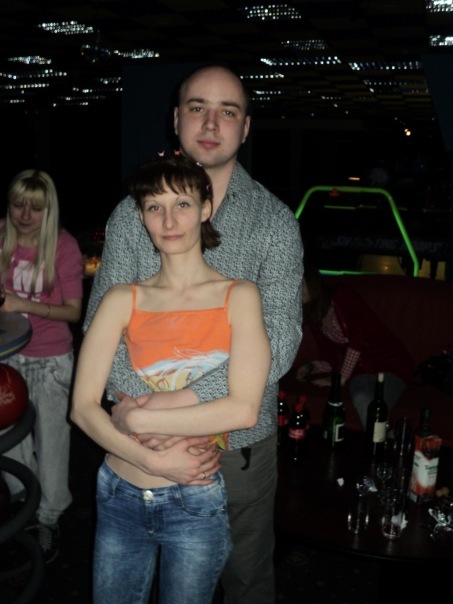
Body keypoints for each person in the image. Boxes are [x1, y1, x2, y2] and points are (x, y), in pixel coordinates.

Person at [83, 64, 304, 604]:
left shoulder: (275, 222)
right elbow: (101, 331)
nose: (210, 122)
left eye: (227, 111)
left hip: (235, 446)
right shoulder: (132, 215)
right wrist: (146, 418)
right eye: (198, 107)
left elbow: (280, 339)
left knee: (246, 581)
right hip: (140, 441)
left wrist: (172, 406)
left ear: (245, 128)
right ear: (176, 119)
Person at [71, 154, 272, 603]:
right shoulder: (121, 298)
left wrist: (138, 419)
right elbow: (82, 408)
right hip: (119, 491)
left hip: (195, 502)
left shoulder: (240, 296)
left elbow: (243, 409)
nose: (168, 220)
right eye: (154, 207)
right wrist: (153, 461)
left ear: (205, 208)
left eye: (182, 203)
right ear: (142, 217)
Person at [0, 169, 83, 562]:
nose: (24, 215)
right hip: (7, 354)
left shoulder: (63, 246)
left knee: (52, 446)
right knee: (9, 440)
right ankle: (24, 503)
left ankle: (48, 518)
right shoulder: (1, 235)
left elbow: (73, 311)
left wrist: (23, 304)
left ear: (49, 210)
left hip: (50, 359)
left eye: (35, 208)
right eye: (18, 204)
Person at [296, 264, 414, 428]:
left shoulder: (342, 295)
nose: (295, 290)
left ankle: (383, 439)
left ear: (313, 283)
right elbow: (331, 361)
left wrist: (341, 380)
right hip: (360, 372)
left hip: (391, 363)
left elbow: (359, 338)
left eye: (300, 284)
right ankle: (384, 438)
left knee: (375, 408)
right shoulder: (317, 320)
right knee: (361, 398)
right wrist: (311, 367)